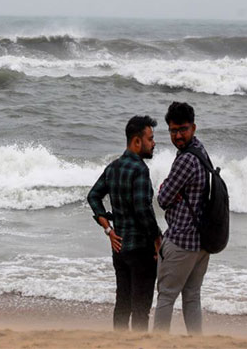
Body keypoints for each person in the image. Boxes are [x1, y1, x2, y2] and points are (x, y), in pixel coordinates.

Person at [87, 115, 162, 332]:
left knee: (122, 305)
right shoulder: (140, 170)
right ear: (137, 141)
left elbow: (93, 196)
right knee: (140, 310)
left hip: (119, 248)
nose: (153, 143)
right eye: (150, 139)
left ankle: (118, 343)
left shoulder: (113, 168)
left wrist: (109, 230)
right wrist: (157, 238)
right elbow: (142, 210)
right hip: (141, 250)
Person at [153, 102, 210, 335]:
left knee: (166, 296)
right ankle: (197, 342)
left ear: (193, 128)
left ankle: (157, 342)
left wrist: (167, 187)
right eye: (173, 130)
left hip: (182, 241)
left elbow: (163, 198)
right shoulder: (201, 150)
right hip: (202, 242)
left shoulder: (186, 159)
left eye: (182, 129)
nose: (177, 135)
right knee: (192, 296)